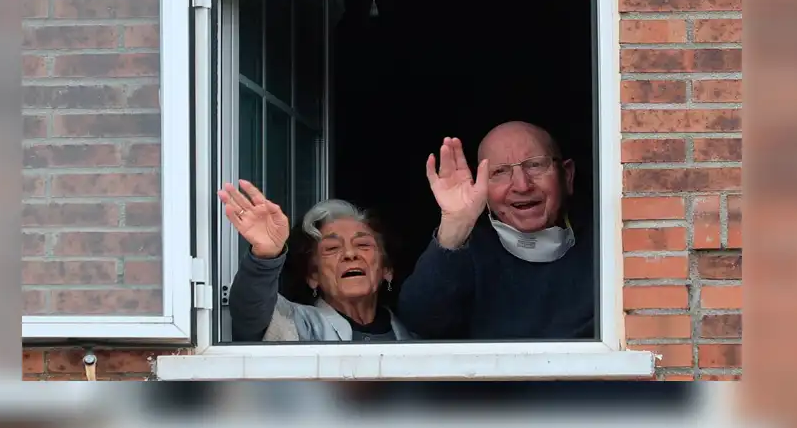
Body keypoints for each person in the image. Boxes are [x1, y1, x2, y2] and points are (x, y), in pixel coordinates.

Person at [397, 121, 595, 340]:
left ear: (566, 175)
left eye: (535, 165)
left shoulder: (608, 240)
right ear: (482, 188)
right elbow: (419, 320)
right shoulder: (469, 250)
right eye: (500, 172)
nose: (522, 185)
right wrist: (455, 225)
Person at [218, 180, 414, 342]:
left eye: (363, 245)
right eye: (332, 248)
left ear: (386, 269)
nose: (350, 254)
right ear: (313, 275)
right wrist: (265, 254)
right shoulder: (293, 322)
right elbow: (249, 310)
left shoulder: (413, 332)